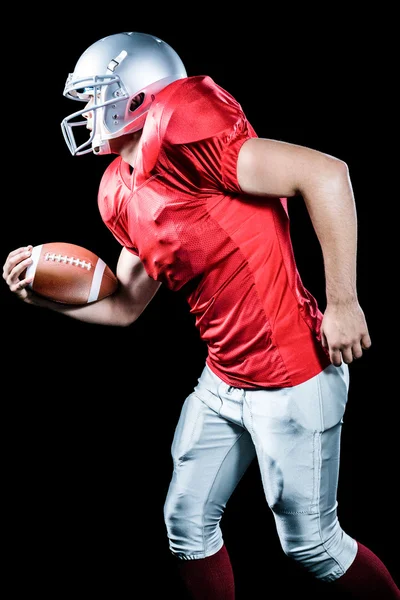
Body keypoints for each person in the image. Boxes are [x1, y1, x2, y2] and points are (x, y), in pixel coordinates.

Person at [2, 32, 399, 599]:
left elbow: (327, 175)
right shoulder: (119, 187)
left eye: (97, 96)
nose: (86, 113)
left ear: (138, 97)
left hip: (292, 374)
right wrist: (41, 299)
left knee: (312, 547)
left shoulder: (192, 137)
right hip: (223, 378)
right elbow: (123, 306)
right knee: (186, 527)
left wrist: (343, 302)